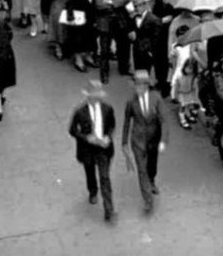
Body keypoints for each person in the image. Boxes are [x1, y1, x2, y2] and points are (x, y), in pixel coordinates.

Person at [68, 79, 117, 223]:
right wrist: (86, 138)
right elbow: (72, 130)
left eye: (98, 96)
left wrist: (108, 137)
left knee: (105, 177)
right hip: (87, 149)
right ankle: (93, 191)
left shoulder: (108, 109)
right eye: (94, 96)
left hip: (103, 148)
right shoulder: (79, 112)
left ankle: (109, 209)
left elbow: (112, 126)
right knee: (90, 172)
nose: (97, 99)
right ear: (88, 96)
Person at [121, 68, 168, 214]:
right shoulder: (131, 102)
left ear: (146, 86)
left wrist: (163, 140)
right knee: (142, 170)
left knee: (151, 165)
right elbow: (127, 122)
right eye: (136, 85)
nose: (137, 88)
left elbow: (164, 120)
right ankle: (148, 200)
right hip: (138, 140)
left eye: (140, 85)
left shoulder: (156, 98)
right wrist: (124, 142)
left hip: (154, 139)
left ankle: (152, 180)